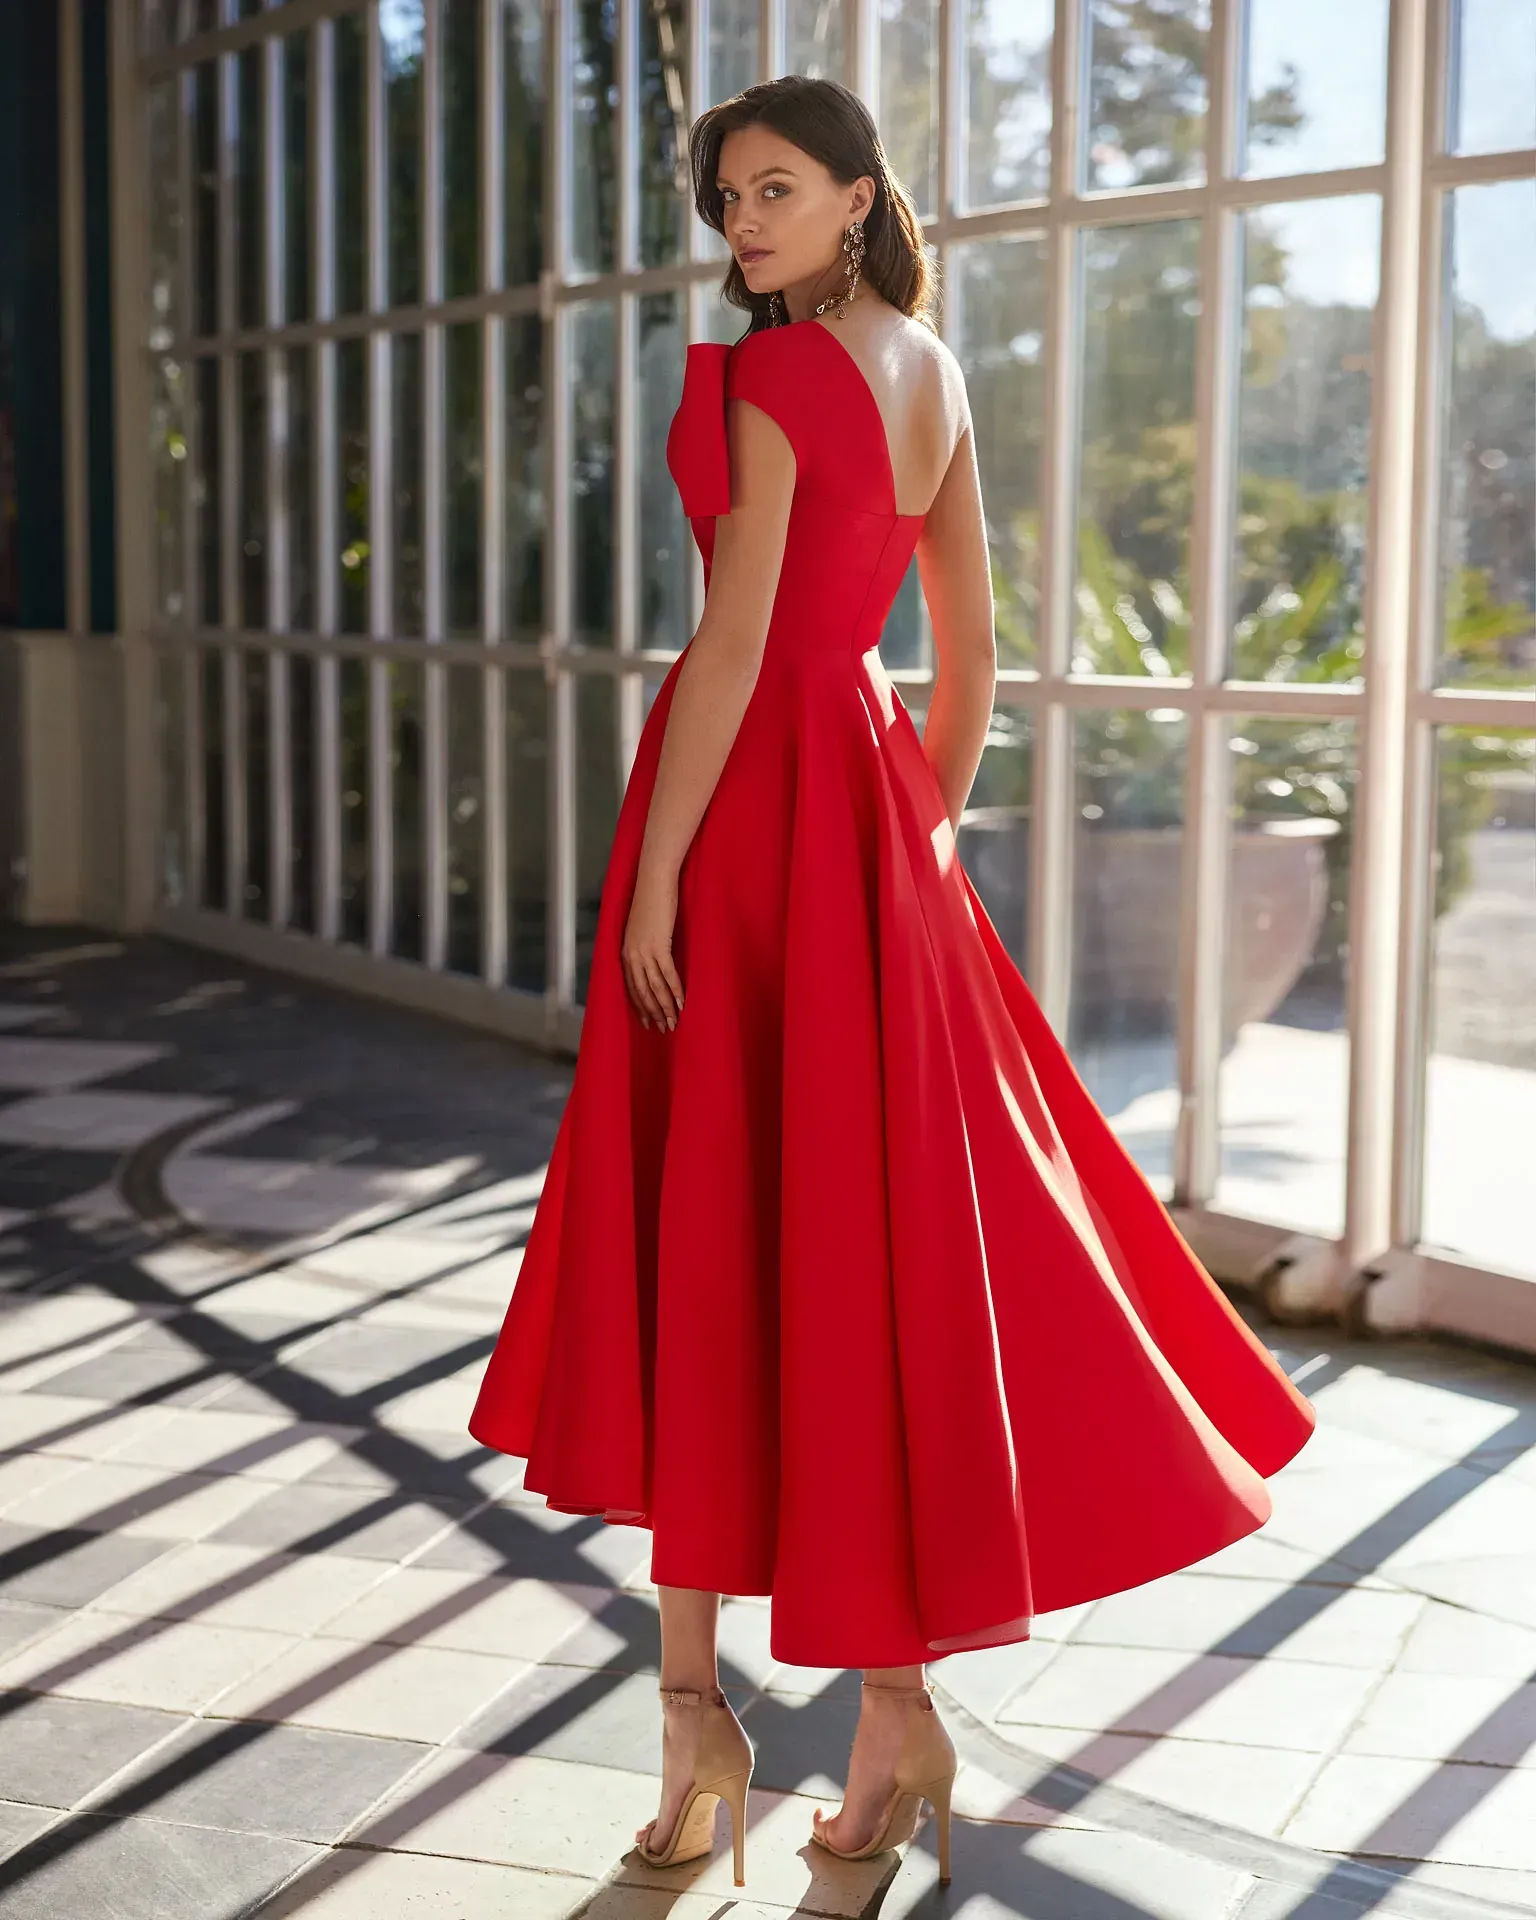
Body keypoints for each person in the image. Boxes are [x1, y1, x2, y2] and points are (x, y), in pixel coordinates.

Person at [469, 73, 1318, 1890]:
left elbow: (734, 639)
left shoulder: (784, 375)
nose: (743, 221)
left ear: (861, 196)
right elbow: (973, 655)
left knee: (706, 1229)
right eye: (726, 197)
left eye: (778, 189)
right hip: (856, 821)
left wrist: (668, 880)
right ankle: (885, 1709)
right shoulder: (928, 373)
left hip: (753, 805)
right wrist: (903, 851)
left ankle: (697, 1708)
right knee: (851, 1243)